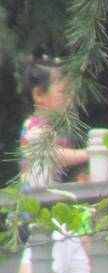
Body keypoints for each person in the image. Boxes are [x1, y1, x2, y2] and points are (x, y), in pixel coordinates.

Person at [18, 55, 89, 190]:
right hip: (32, 196)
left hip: (52, 191)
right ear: (39, 94)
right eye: (64, 92)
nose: (70, 100)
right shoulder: (34, 126)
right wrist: (89, 153)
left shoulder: (60, 130)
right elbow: (53, 155)